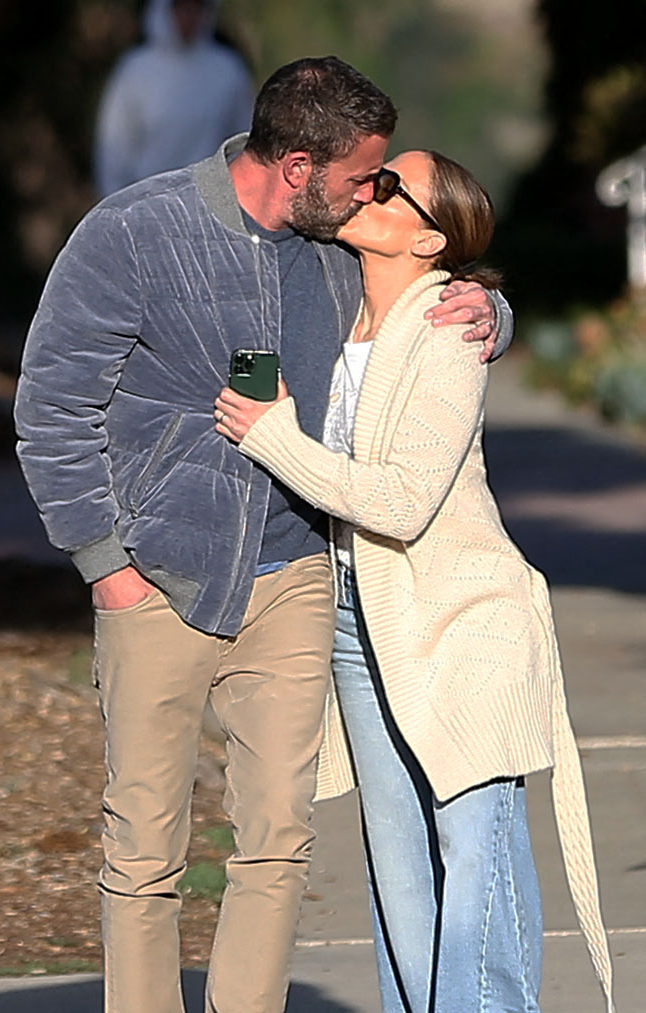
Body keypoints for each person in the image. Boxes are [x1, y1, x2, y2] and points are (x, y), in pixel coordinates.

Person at [14, 57, 513, 1013]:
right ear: (297, 166)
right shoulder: (134, 232)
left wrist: (491, 308)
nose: (374, 192)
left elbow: (430, 291)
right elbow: (52, 406)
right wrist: (103, 563)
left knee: (278, 839)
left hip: (292, 579)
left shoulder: (338, 245)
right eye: (362, 174)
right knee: (145, 841)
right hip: (156, 579)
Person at [214, 151, 616, 1012]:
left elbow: (397, 501)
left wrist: (274, 435)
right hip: (359, 623)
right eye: (372, 174)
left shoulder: (448, 330)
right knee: (397, 869)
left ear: (428, 238)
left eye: (391, 185)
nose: (368, 186)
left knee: (475, 851)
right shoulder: (323, 289)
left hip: (465, 615)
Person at [93, 0, 253, 197]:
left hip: (208, 203)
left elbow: (243, 141)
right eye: (181, 9)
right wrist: (114, 201)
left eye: (196, 9)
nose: (188, 18)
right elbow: (114, 145)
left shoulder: (228, 70)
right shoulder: (136, 69)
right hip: (146, 199)